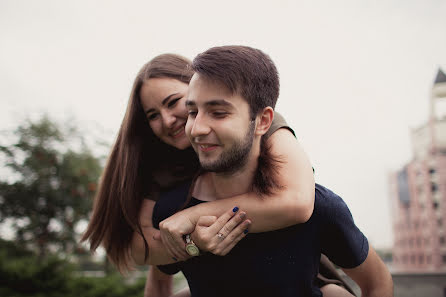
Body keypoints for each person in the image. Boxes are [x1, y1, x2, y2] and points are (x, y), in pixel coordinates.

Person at [81, 53, 354, 297]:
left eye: (173, 102)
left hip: (299, 276)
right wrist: (193, 242)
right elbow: (144, 249)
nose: (167, 120)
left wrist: (190, 218)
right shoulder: (162, 164)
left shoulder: (262, 125)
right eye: (152, 115)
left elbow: (296, 201)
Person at [148, 45, 393, 297]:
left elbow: (378, 283)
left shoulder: (321, 208)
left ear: (263, 121)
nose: (197, 128)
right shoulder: (172, 211)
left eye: (218, 113)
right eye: (192, 112)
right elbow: (157, 282)